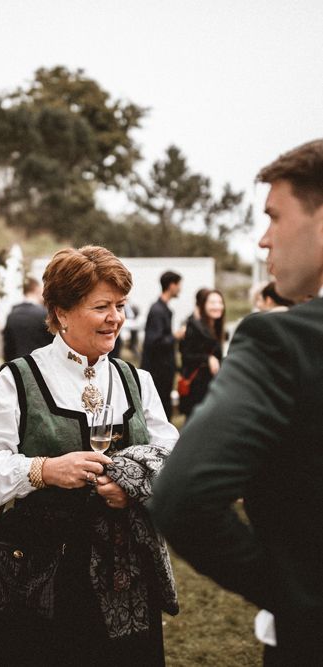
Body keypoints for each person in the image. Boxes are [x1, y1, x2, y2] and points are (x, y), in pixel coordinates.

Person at [149, 139, 323, 666]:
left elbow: (182, 498)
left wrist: (297, 598)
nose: (263, 238)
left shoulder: (282, 341)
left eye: (274, 215)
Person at [0, 246, 179, 667]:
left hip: (123, 575)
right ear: (61, 312)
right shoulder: (19, 379)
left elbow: (172, 454)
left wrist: (131, 486)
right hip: (42, 574)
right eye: (101, 306)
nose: (115, 317)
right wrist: (44, 470)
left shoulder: (137, 381)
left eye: (120, 305)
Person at [141, 271, 185, 419]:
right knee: (159, 409)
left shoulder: (164, 309)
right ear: (171, 286)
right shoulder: (157, 310)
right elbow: (153, 342)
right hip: (157, 371)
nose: (180, 289)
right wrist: (176, 336)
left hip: (164, 369)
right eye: (179, 285)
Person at [178, 288, 226, 417]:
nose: (217, 306)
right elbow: (186, 356)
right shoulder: (194, 326)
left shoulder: (215, 326)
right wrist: (208, 358)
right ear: (203, 305)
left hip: (210, 385)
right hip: (196, 388)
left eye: (220, 302)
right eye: (212, 302)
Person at [2, 276, 54, 361]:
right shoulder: (44, 314)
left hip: (18, 366)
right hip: (40, 365)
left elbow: (8, 348)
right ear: (37, 289)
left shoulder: (12, 315)